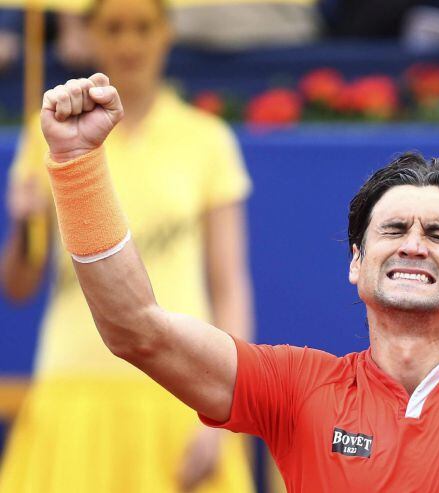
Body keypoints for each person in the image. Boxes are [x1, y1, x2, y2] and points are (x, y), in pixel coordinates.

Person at [34, 42, 439, 491]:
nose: (413, 243)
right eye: (394, 229)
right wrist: (75, 166)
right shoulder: (294, 390)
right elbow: (135, 329)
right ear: (357, 262)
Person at [0, 0, 255, 491]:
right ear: (90, 37)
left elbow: (229, 286)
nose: (130, 43)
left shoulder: (208, 140)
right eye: (113, 28)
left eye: (144, 27)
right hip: (72, 387)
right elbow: (19, 285)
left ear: (167, 34)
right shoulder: (51, 135)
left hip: (182, 389)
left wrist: (228, 405)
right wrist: (22, 226)